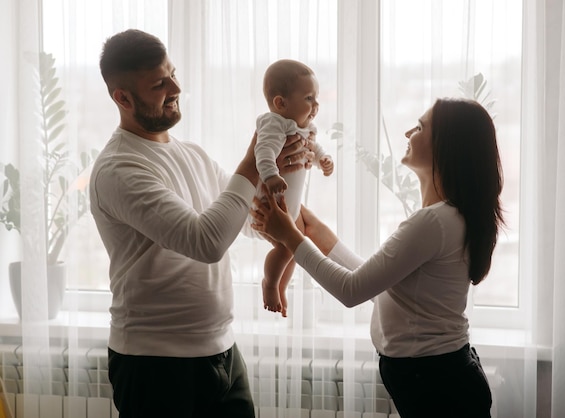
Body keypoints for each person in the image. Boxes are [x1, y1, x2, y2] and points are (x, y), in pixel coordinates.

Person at [90, 29, 312, 418]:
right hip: (155, 364)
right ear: (122, 98)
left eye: (173, 73)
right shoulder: (119, 168)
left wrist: (280, 173)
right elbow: (206, 243)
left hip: (222, 351)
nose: (176, 87)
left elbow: (248, 223)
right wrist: (251, 163)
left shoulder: (192, 154)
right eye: (160, 83)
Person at [252, 98, 502, 417]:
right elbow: (378, 285)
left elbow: (352, 290)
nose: (409, 132)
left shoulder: (433, 223)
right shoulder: (446, 218)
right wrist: (309, 227)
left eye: (421, 126)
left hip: (436, 383)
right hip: (440, 377)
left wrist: (289, 235)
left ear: (446, 146)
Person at [254, 59, 334, 317]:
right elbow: (263, 152)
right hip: (273, 204)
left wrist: (322, 159)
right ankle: (269, 284)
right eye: (309, 98)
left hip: (294, 205)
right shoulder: (275, 124)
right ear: (281, 103)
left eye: (317, 98)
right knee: (285, 247)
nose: (316, 105)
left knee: (295, 249)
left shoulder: (305, 127)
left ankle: (282, 287)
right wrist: (271, 175)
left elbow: (313, 146)